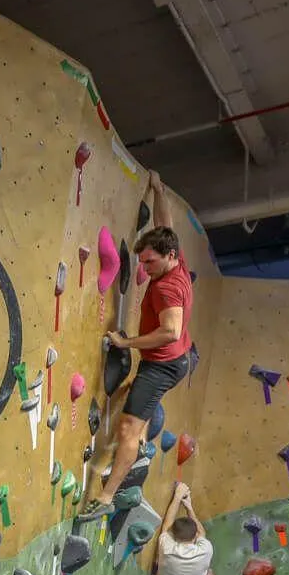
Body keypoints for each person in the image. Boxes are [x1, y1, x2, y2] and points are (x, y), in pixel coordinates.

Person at [80, 174, 196, 518]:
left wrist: (127, 342)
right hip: (175, 360)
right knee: (138, 409)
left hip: (162, 365)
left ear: (169, 256)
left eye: (149, 263)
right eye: (142, 262)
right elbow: (165, 223)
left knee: (127, 427)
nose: (145, 268)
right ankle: (143, 436)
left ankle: (105, 498)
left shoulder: (166, 288)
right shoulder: (175, 262)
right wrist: (158, 190)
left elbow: (170, 331)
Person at [149, 483, 220, 575]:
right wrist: (189, 506)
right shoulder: (205, 549)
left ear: (173, 536)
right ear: (195, 537)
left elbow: (166, 525)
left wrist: (177, 497)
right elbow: (201, 532)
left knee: (158, 568)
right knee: (209, 574)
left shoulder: (166, 547)